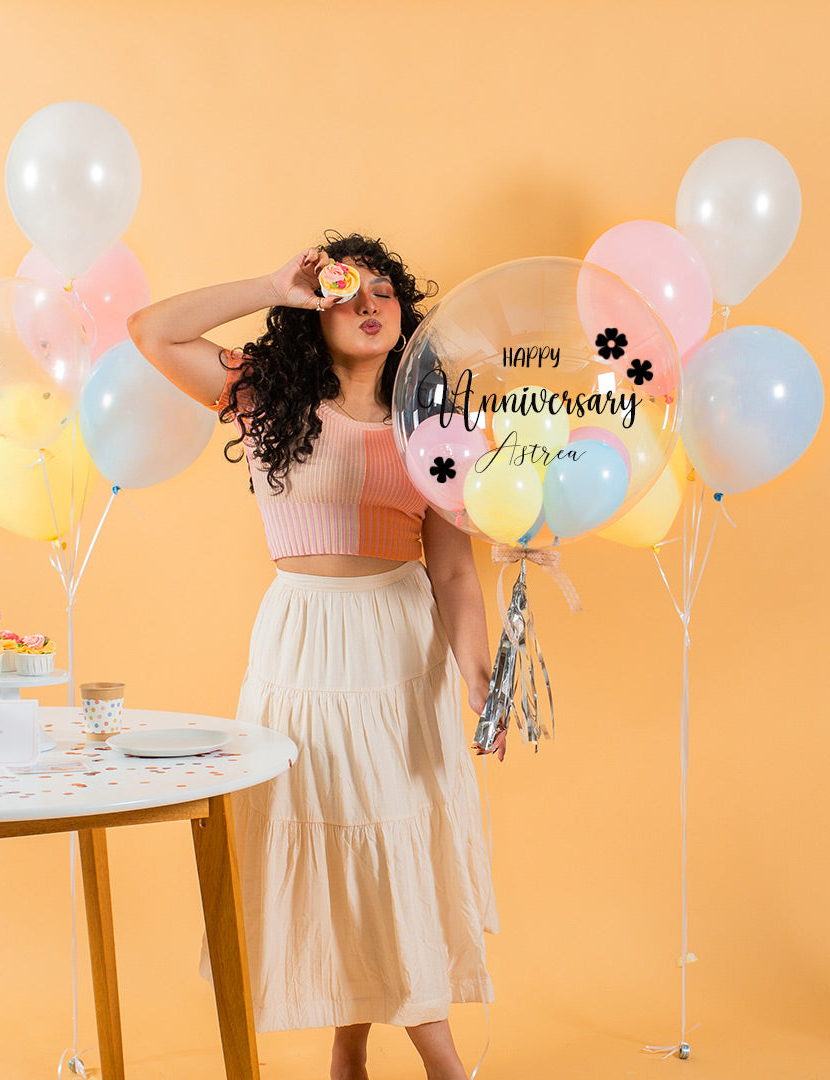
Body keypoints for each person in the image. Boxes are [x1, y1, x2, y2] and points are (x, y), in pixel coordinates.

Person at [128, 232, 502, 1080]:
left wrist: (481, 679)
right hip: (302, 646)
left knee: (389, 842)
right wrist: (270, 283)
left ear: (404, 314)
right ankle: (376, 1056)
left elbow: (453, 571)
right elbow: (151, 331)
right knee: (332, 837)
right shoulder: (266, 398)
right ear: (316, 314)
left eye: (385, 293)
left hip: (399, 648)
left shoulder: (435, 425)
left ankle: (384, 1058)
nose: (370, 305)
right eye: (348, 293)